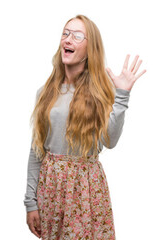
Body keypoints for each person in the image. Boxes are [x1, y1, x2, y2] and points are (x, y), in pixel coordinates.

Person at [24, 15, 145, 240]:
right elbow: (36, 151)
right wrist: (30, 202)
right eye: (66, 33)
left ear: (91, 50)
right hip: (51, 187)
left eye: (78, 36)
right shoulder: (45, 92)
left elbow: (110, 141)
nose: (68, 39)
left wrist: (122, 97)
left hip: (86, 188)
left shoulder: (100, 92)